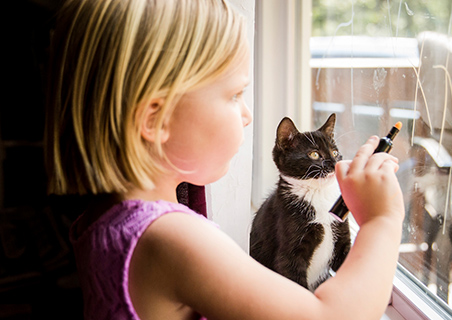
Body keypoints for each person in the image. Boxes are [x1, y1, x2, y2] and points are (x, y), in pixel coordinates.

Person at [45, 0, 405, 319]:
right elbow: (330, 315)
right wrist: (381, 220)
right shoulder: (172, 238)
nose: (247, 114)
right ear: (155, 120)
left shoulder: (100, 217)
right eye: (234, 95)